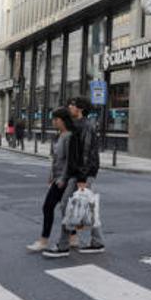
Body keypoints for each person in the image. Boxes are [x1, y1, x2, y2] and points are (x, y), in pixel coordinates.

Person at [43, 96, 104, 257]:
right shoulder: (75, 125)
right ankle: (95, 241)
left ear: (80, 109)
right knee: (83, 205)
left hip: (84, 173)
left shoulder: (86, 126)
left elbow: (84, 154)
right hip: (77, 172)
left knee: (68, 205)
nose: (69, 106)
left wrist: (82, 179)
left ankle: (64, 245)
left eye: (73, 105)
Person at [27, 107, 73, 252]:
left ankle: (43, 241)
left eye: (56, 119)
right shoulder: (61, 135)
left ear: (63, 120)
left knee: (48, 207)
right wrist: (51, 175)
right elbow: (56, 159)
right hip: (57, 178)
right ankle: (73, 238)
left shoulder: (69, 136)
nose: (53, 122)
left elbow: (69, 161)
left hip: (63, 180)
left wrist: (62, 179)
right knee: (66, 210)